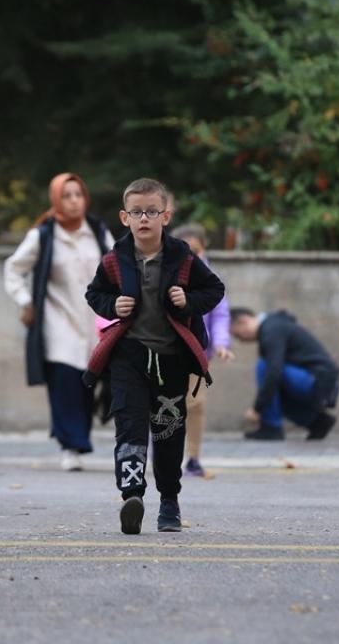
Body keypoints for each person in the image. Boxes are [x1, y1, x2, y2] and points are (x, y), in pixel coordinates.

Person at [84, 178, 225, 535]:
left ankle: (169, 501)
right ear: (124, 217)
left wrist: (188, 302)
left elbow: (215, 289)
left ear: (166, 215)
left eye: (151, 211)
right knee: (129, 427)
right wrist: (113, 304)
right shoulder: (115, 260)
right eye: (136, 212)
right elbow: (94, 293)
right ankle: (131, 495)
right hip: (129, 356)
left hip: (171, 359)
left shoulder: (183, 257)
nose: (144, 218)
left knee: (167, 434)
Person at [3, 173, 114, 472]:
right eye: (67, 195)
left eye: (78, 194)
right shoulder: (43, 235)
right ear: (56, 200)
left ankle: (77, 438)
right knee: (64, 383)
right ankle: (70, 445)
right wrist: (25, 301)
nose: (74, 201)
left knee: (88, 385)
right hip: (57, 320)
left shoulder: (98, 231)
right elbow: (13, 269)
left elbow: (118, 267)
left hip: (95, 322)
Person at [170, 224, 233, 479]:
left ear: (204, 249)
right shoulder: (166, 273)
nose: (190, 257)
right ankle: (162, 456)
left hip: (197, 353)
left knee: (195, 405)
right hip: (167, 353)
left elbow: (220, 314)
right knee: (164, 406)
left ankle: (193, 457)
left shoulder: (209, 278)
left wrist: (221, 344)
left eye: (194, 250)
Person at [228, 308, 339, 441]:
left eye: (237, 335)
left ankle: (271, 427)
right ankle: (317, 422)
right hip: (321, 382)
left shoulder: (271, 329)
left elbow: (273, 371)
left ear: (243, 322)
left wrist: (257, 409)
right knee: (273, 393)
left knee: (264, 367)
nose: (240, 340)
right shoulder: (273, 326)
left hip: (319, 382)